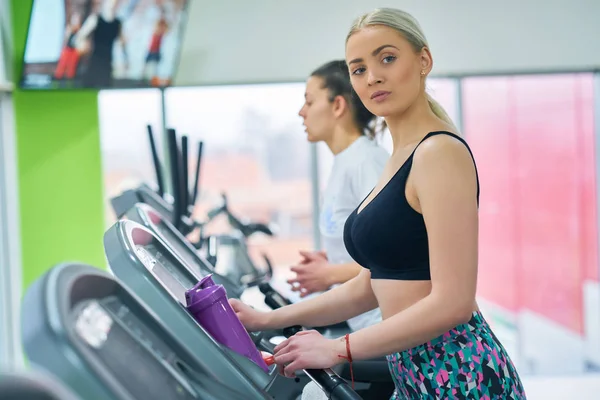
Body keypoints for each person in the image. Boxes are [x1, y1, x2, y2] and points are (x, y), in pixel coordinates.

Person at [230, 7, 526, 399]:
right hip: (416, 374)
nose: (373, 77)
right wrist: (267, 318)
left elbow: (454, 302)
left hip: (459, 374)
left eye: (387, 58)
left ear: (424, 61)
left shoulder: (438, 152)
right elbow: (372, 284)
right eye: (358, 69)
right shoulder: (397, 157)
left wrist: (337, 349)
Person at [287, 59, 389, 333]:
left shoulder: (366, 163)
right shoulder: (344, 162)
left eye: (309, 102)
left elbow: (395, 258)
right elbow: (366, 248)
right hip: (363, 323)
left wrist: (328, 274)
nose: (301, 112)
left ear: (338, 105)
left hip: (386, 325)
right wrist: (333, 259)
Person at [74, 0, 128, 88]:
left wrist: (125, 60)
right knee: (88, 88)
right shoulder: (95, 19)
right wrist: (82, 46)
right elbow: (80, 36)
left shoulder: (117, 24)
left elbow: (122, 44)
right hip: (94, 61)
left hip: (107, 63)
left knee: (105, 89)